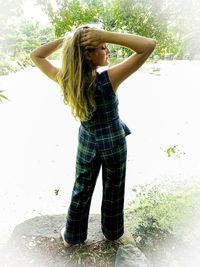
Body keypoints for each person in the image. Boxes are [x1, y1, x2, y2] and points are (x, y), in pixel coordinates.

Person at [30, 25, 156, 248]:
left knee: (82, 188)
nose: (107, 50)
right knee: (114, 188)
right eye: (103, 47)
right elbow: (148, 46)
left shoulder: (66, 79)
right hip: (114, 143)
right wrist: (101, 35)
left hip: (88, 143)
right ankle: (113, 233)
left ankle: (73, 236)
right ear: (88, 53)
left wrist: (70, 41)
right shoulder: (109, 79)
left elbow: (36, 55)